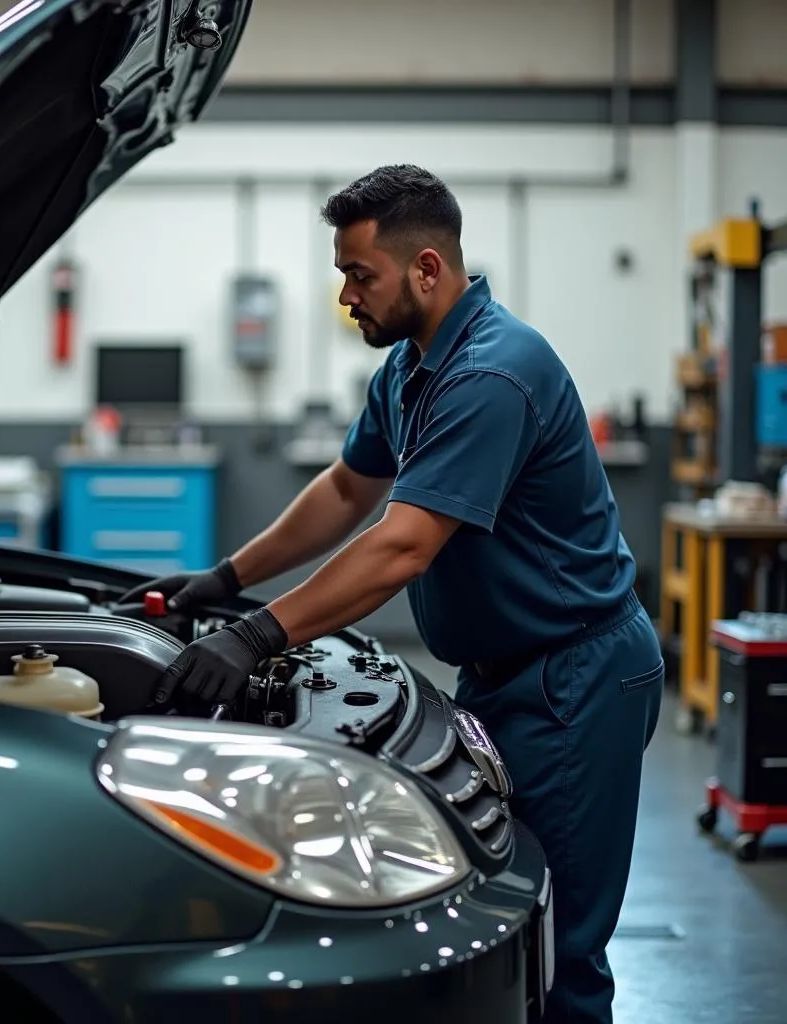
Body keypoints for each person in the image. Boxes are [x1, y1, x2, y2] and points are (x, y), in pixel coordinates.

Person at [121, 164, 664, 1024]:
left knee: (562, 951)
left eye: (358, 275)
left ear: (426, 270)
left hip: (575, 678)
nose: (346, 296)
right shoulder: (411, 369)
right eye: (342, 275)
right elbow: (347, 490)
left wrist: (258, 636)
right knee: (512, 925)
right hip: (502, 673)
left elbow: (402, 544)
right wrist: (222, 581)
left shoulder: (492, 372)